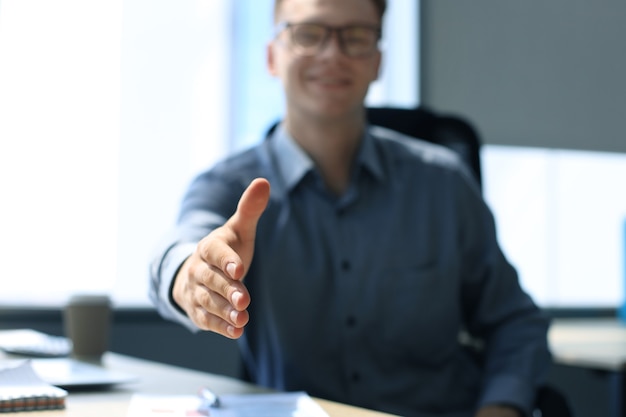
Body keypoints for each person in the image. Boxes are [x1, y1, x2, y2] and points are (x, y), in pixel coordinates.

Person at [149, 0, 551, 416]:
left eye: (356, 37)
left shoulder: (443, 185)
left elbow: (516, 322)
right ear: (272, 56)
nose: (332, 54)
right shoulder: (230, 187)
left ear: (378, 60)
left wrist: (502, 408)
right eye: (308, 34)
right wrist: (190, 276)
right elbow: (181, 247)